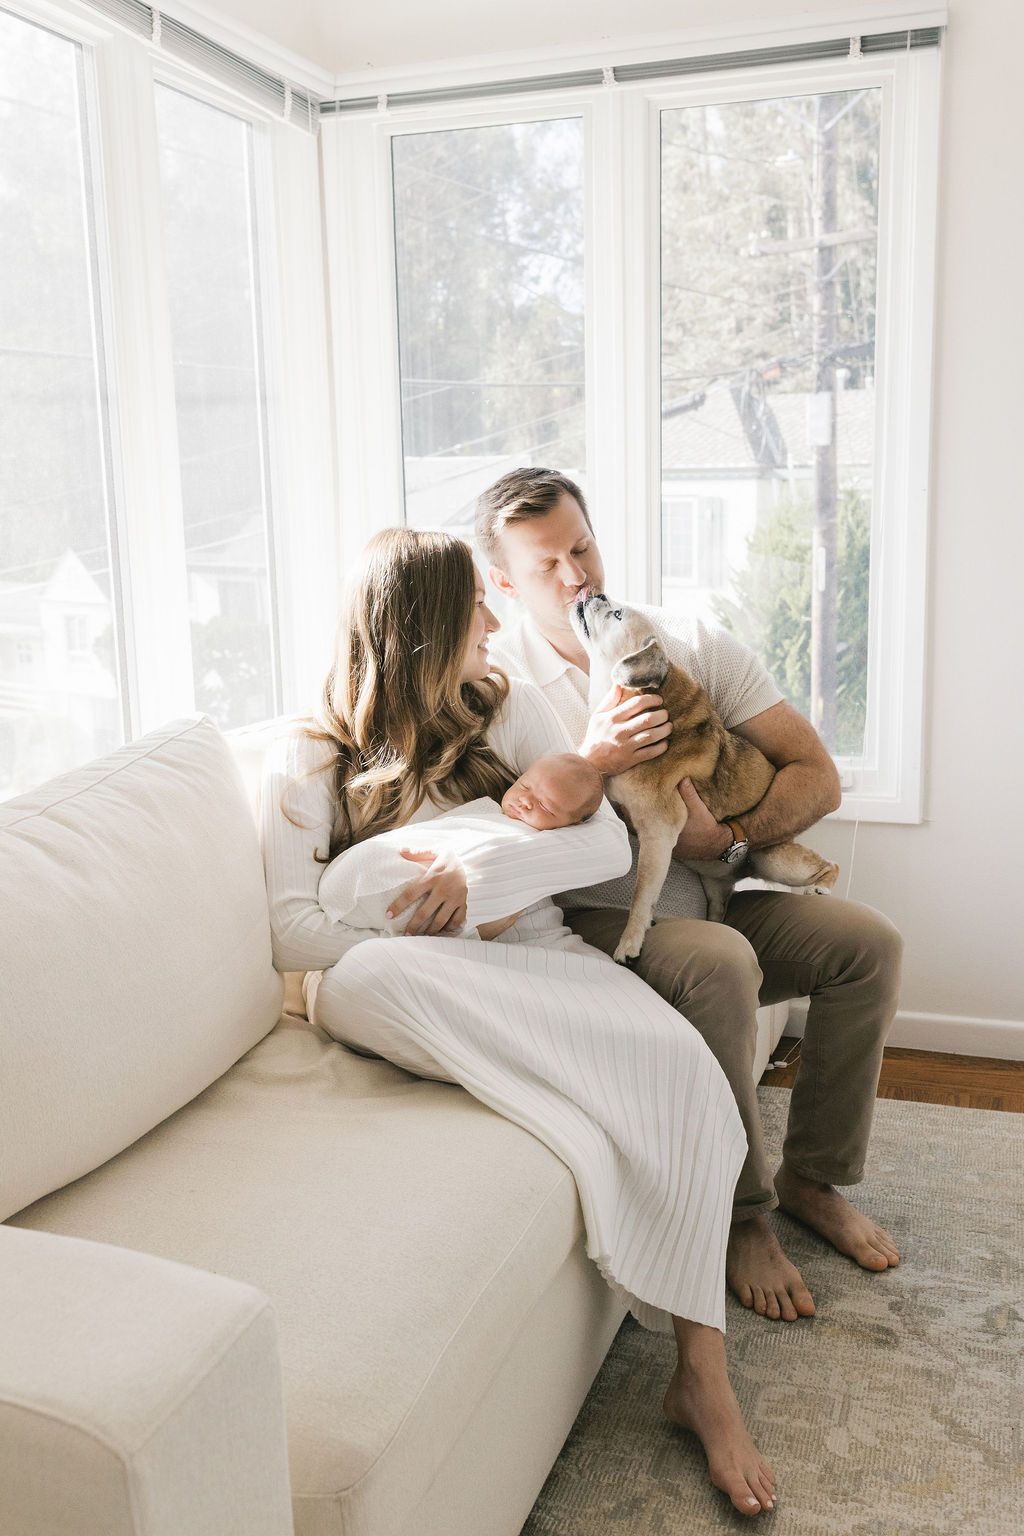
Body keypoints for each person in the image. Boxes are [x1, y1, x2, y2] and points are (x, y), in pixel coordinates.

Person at [259, 527, 776, 1515]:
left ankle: (700, 1376)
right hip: (403, 973)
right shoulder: (308, 753)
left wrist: (480, 869)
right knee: (373, 972)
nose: (497, 621)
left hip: (533, 957)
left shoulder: (507, 706)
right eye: (476, 610)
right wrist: (431, 920)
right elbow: (291, 929)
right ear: (424, 629)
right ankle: (572, 1107)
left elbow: (602, 851)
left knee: (680, 1071)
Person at [477, 467, 904, 1325]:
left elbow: (816, 777)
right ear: (501, 583)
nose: (576, 577)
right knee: (720, 960)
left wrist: (733, 842)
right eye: (545, 566)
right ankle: (744, 1218)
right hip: (606, 922)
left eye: (583, 546)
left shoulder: (687, 644)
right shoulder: (496, 688)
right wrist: (591, 760)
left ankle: (813, 1179)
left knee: (869, 946)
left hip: (723, 885)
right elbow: (499, 849)